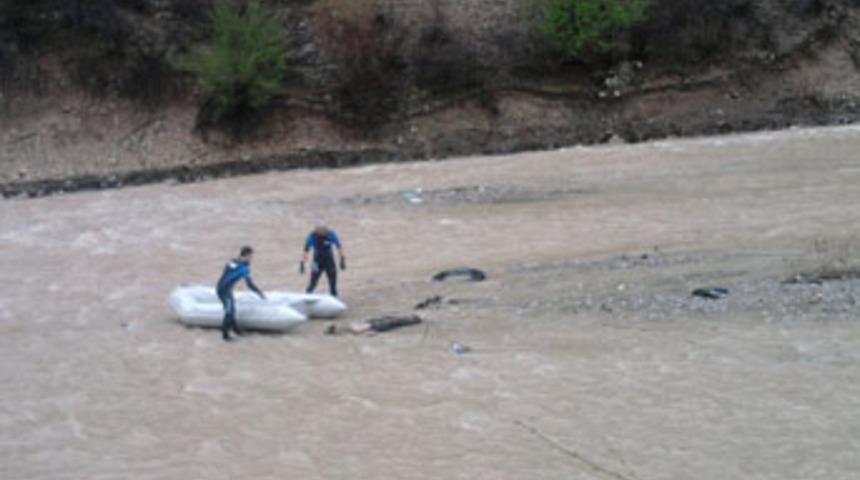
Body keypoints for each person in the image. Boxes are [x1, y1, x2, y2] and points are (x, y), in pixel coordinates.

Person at [216, 245, 266, 342]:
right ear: (247, 255)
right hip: (225, 291)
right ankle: (225, 335)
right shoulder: (244, 268)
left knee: (232, 309)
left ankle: (236, 329)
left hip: (221, 288)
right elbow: (249, 284)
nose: (251, 259)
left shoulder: (231, 261)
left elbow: (227, 273)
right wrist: (259, 292)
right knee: (229, 312)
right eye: (251, 256)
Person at [300, 221, 345, 297]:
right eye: (319, 230)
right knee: (313, 282)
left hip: (329, 261)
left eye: (323, 230)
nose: (321, 232)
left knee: (333, 283)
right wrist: (302, 263)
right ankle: (307, 296)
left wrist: (342, 259)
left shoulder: (331, 234)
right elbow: (306, 250)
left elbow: (339, 247)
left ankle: (334, 297)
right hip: (316, 261)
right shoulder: (312, 236)